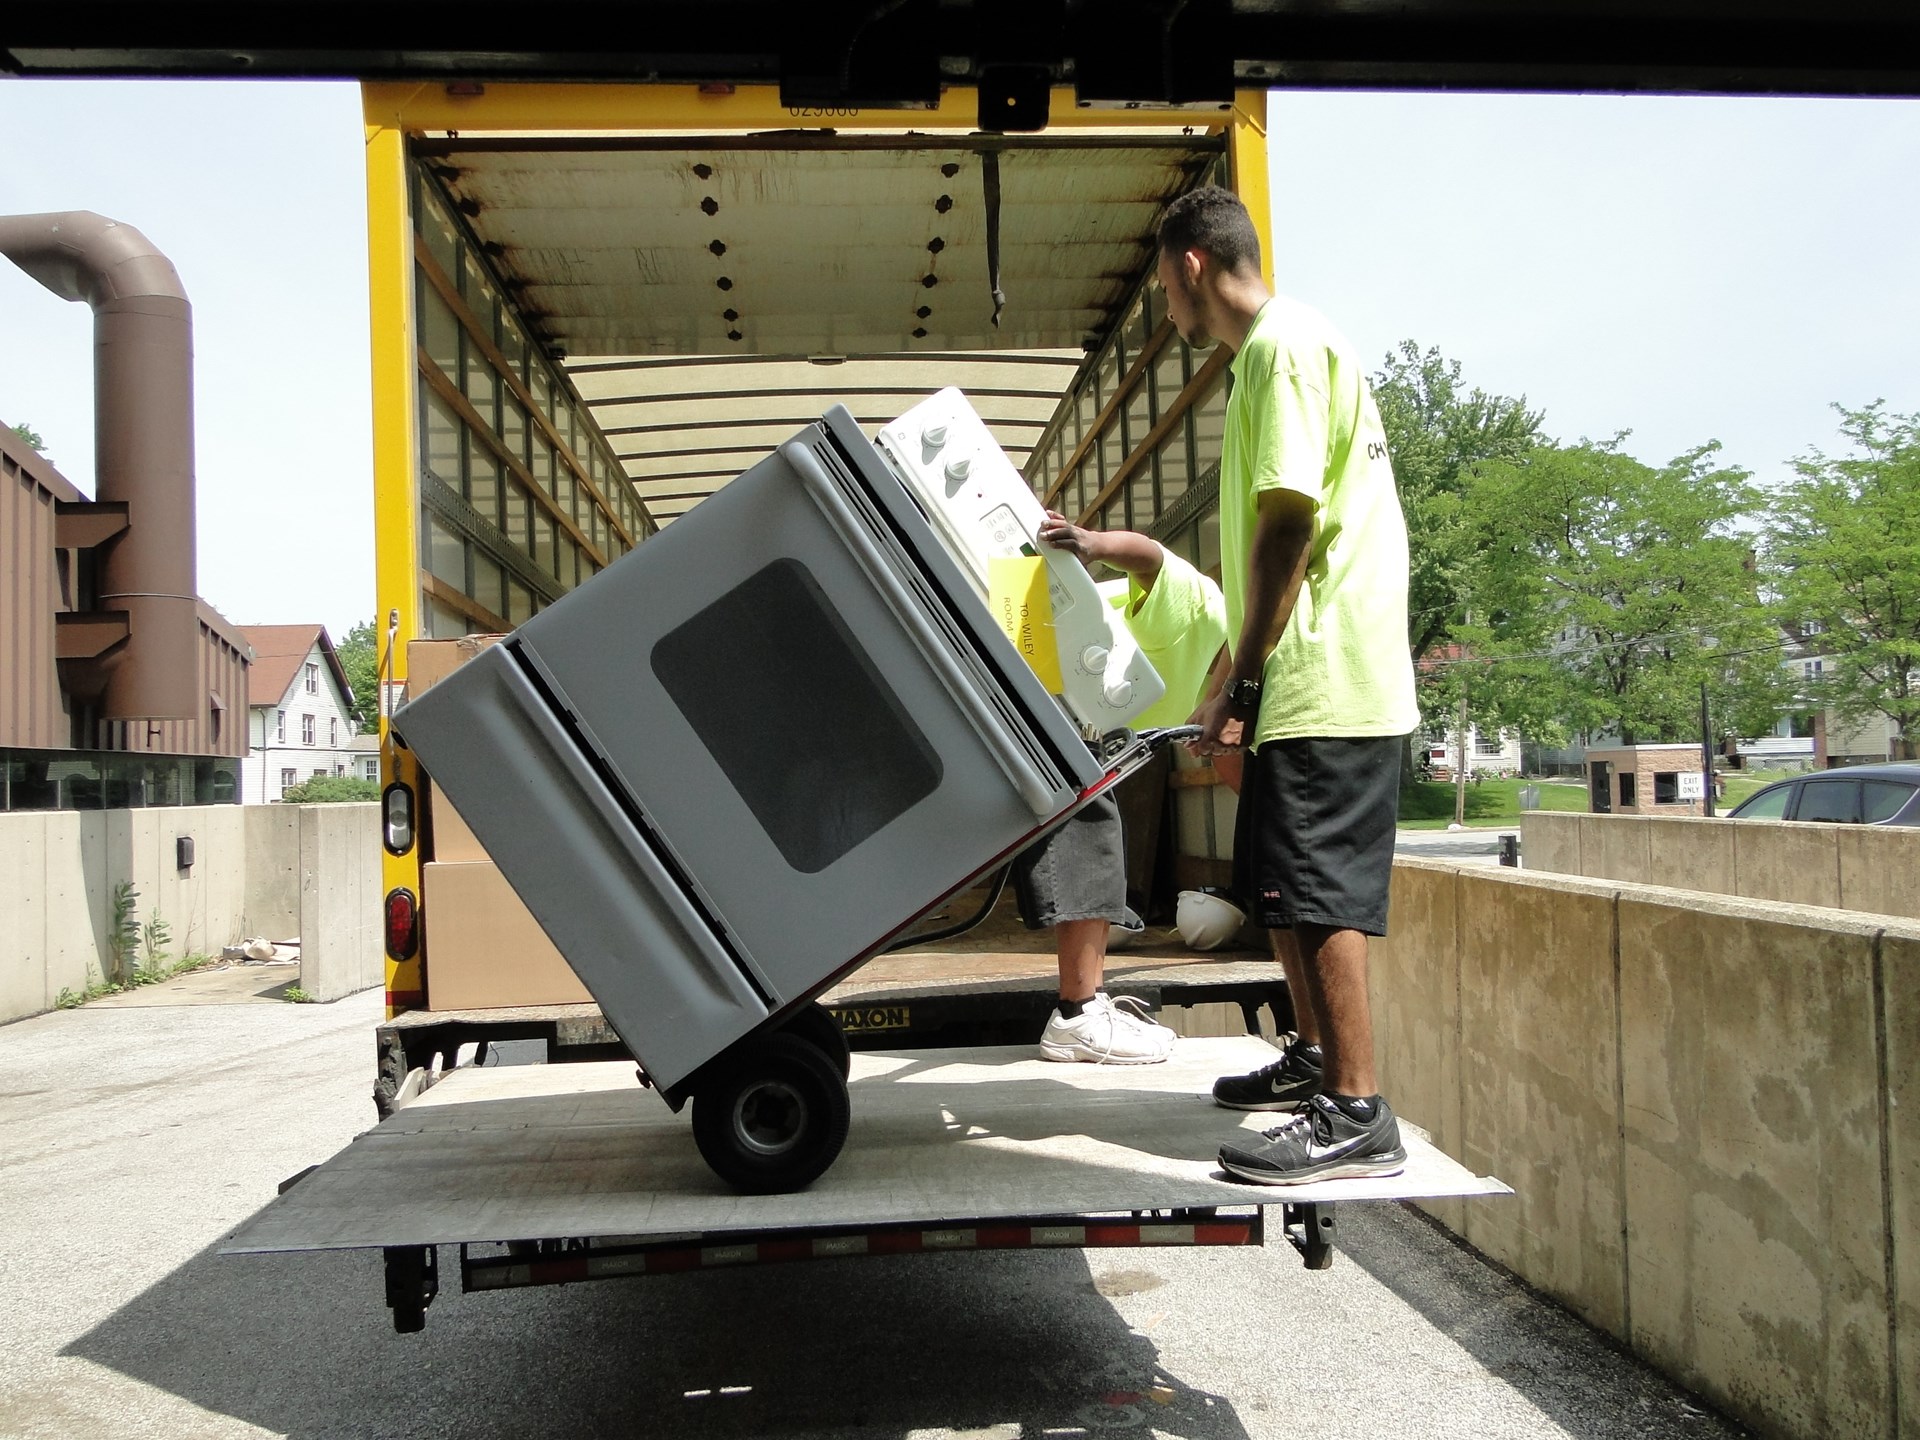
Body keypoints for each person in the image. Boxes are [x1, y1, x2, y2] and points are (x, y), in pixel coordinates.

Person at [1158, 185, 1420, 1184]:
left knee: (1321, 890)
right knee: (1285, 889)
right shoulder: (1271, 357)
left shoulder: (1281, 350)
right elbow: (1260, 551)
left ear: (1191, 264)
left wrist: (1246, 679)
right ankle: (1316, 1065)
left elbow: (1288, 527)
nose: (1168, 314)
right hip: (1299, 670)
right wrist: (1230, 671)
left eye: (1164, 290)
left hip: (1326, 673)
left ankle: (1356, 1112)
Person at [1017, 514, 1228, 1065]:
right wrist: (1092, 543)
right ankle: (1077, 1015)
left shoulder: (1215, 681)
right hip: (1036, 660)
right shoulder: (1211, 611)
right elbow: (1151, 555)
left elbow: (1236, 769)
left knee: (1088, 814)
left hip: (1046, 687)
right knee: (1091, 822)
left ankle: (1080, 1010)